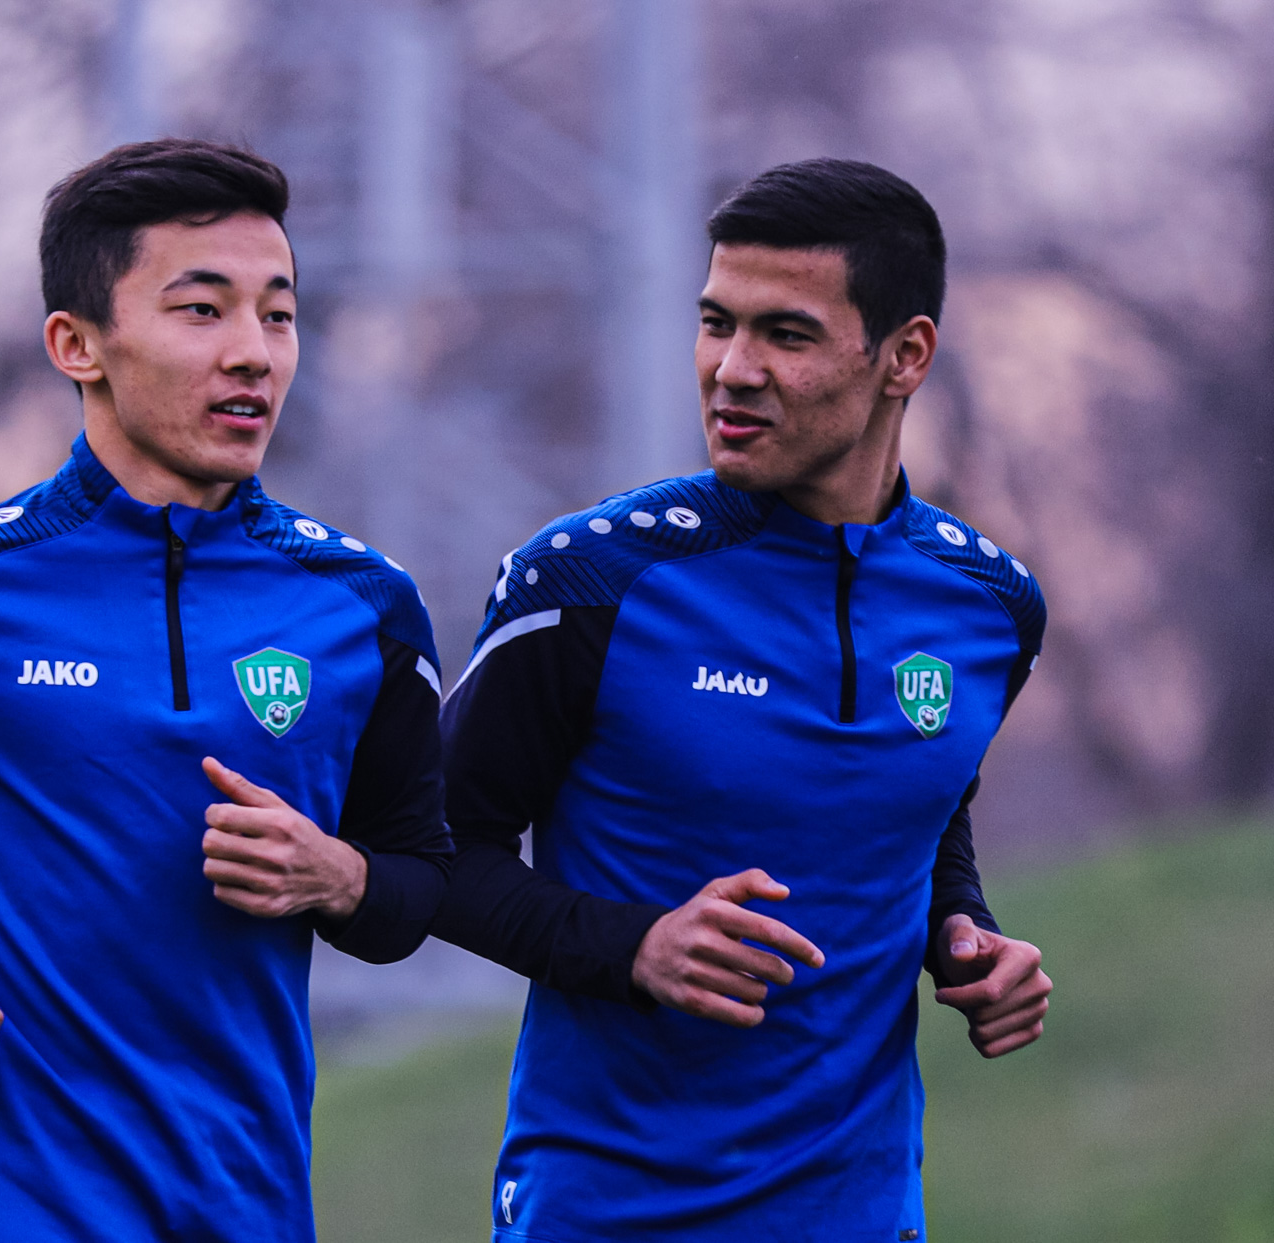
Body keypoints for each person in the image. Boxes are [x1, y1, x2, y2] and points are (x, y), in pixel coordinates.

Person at [0, 139, 452, 1242]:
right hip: (16, 1208)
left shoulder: (363, 609)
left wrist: (339, 876)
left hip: (252, 1211)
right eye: (203, 311)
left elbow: (415, 890)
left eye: (279, 315)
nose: (254, 353)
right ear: (77, 344)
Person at [431, 158, 1053, 1241]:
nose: (732, 369)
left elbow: (922, 807)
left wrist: (966, 933)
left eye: (788, 335)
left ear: (904, 356)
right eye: (717, 323)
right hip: (607, 1214)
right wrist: (633, 946)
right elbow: (427, 853)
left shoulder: (992, 607)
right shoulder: (588, 581)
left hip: (864, 1215)